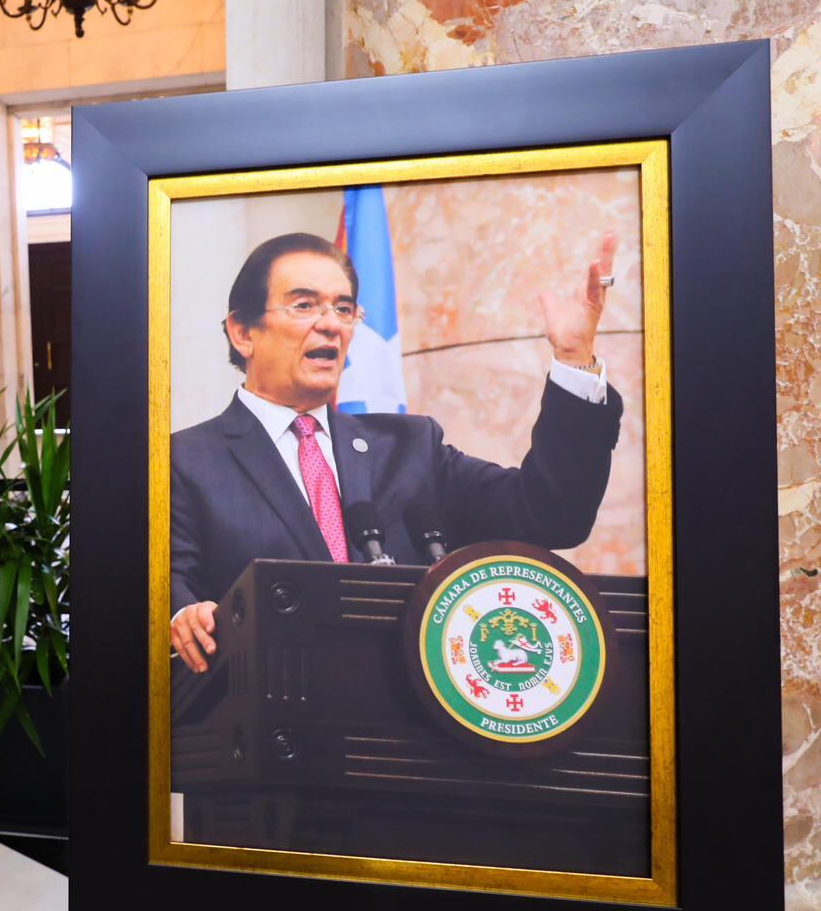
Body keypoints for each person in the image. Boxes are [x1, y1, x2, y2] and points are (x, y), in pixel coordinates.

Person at [170, 231, 623, 674]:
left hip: (408, 709)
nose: (331, 324)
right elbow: (164, 582)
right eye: (304, 305)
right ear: (243, 332)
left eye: (343, 308)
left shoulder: (410, 448)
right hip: (269, 702)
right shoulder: (182, 461)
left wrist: (574, 358)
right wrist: (183, 615)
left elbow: (550, 514)